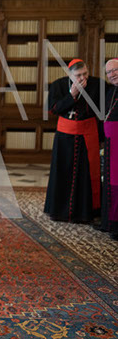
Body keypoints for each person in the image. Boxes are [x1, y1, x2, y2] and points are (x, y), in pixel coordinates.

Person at [44, 59, 102, 223]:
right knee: (62, 171)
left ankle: (86, 212)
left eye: (85, 74)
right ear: (70, 75)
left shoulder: (97, 84)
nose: (83, 78)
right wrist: (72, 95)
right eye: (78, 75)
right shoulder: (58, 85)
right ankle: (59, 211)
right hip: (65, 136)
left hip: (88, 134)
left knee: (87, 173)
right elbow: (53, 109)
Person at [99, 59, 118, 239]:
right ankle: (108, 222)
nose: (112, 74)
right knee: (109, 181)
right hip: (111, 143)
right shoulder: (111, 91)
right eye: (109, 72)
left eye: (115, 70)